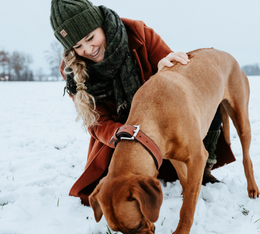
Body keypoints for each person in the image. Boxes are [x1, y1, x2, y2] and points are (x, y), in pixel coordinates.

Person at [50, 0, 230, 206]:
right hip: (121, 137)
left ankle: (202, 167)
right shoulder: (73, 71)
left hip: (162, 122)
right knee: (115, 186)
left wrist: (164, 66)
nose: (88, 49)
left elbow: (181, 83)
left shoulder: (138, 33)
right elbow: (96, 121)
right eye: (77, 46)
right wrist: (121, 134)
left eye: (90, 37)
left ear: (102, 24)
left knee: (205, 99)